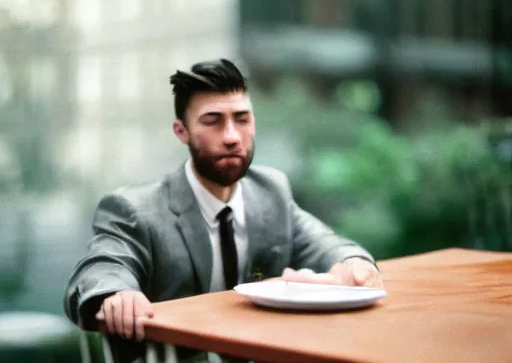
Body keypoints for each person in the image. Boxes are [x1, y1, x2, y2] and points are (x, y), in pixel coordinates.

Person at [63, 58, 381, 361]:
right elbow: (103, 267)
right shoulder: (135, 209)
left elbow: (321, 242)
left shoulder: (270, 191)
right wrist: (116, 292)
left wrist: (353, 263)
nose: (231, 137)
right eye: (213, 121)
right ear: (181, 131)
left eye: (241, 119)